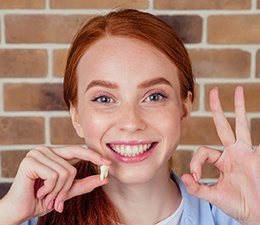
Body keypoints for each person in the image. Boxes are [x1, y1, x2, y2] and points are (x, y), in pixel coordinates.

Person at [0, 9, 259, 225]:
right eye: (104, 99)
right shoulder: (28, 218)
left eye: (154, 96)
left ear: (184, 108)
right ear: (76, 115)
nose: (131, 122)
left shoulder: (238, 215)